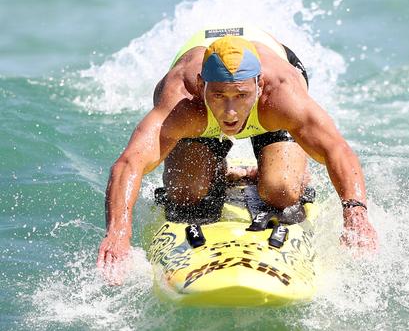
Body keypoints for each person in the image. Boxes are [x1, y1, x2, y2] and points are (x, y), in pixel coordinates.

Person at [97, 25, 378, 282]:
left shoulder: (281, 95)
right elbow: (129, 163)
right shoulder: (183, 99)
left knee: (282, 191)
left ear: (258, 85)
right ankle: (215, 165)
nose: (230, 113)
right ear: (201, 84)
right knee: (186, 194)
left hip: (272, 63)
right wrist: (118, 234)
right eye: (219, 96)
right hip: (198, 83)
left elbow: (336, 149)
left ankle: (289, 164)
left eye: (241, 96)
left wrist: (355, 214)